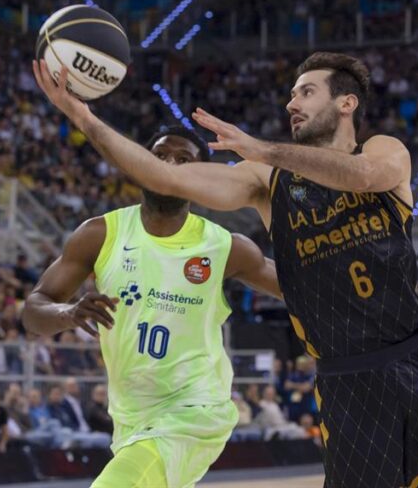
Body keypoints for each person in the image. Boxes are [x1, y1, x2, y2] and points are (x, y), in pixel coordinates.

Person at [33, 51, 418, 487]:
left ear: (346, 103)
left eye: (306, 92)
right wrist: (84, 118)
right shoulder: (264, 181)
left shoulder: (384, 149)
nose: (292, 103)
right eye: (291, 94)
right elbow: (164, 176)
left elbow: (363, 176)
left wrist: (263, 149)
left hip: (416, 359)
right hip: (346, 378)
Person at [22, 125, 282, 488]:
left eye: (183, 160)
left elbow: (301, 291)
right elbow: (33, 311)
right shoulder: (100, 234)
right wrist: (68, 313)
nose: (170, 165)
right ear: (140, 164)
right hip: (131, 415)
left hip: (195, 410)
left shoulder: (225, 247)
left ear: (200, 178)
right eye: (159, 157)